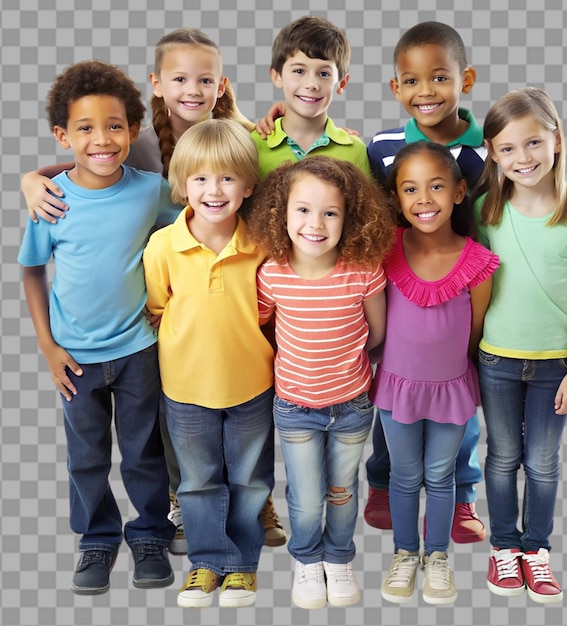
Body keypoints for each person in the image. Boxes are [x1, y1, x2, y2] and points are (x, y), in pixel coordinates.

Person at [20, 28, 287, 553]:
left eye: (204, 79)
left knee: (246, 405)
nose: (192, 88)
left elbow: (255, 169)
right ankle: (179, 503)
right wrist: (33, 177)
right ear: (157, 84)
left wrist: (279, 118)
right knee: (175, 417)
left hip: (239, 277)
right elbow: (95, 167)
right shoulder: (139, 144)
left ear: (221, 84)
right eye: (179, 78)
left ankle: (253, 501)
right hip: (162, 296)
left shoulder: (234, 131)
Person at [363, 20, 567, 539]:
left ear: (466, 79)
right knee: (398, 395)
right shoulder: (382, 146)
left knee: (463, 396)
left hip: (474, 289)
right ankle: (388, 483)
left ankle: (459, 495)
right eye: (411, 81)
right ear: (395, 88)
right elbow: (374, 214)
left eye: (439, 78)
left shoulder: (491, 147)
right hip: (406, 285)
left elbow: (534, 195)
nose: (425, 92)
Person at [17, 60, 180, 596]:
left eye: (114, 126)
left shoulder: (151, 190)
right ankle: (97, 538)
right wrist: (46, 345)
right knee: (86, 456)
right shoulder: (51, 200)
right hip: (76, 357)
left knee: (143, 453)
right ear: (63, 136)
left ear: (133, 132)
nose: (102, 140)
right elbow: (32, 270)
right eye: (84, 128)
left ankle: (151, 534)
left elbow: (180, 246)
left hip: (140, 349)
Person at [246, 156, 396, 609]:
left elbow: (379, 332)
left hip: (351, 405)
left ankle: (339, 557)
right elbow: (264, 328)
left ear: (349, 218)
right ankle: (308, 560)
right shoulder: (272, 274)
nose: (316, 223)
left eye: (330, 212)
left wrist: (349, 367)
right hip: (294, 407)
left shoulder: (362, 271)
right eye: (303, 211)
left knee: (342, 489)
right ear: (282, 214)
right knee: (307, 497)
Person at [473, 87, 567, 604]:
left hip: (556, 364)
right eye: (507, 149)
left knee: (543, 461)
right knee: (502, 457)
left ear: (557, 140)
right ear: (492, 154)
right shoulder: (485, 211)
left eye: (532, 144)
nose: (522, 158)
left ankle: (536, 549)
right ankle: (504, 546)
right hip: (497, 359)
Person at [143, 119, 275, 609]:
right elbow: (157, 307)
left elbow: (271, 312)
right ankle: (206, 561)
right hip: (185, 388)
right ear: (182, 185)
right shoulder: (163, 246)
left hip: (252, 386)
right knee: (197, 481)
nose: (213, 190)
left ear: (247, 184)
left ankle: (241, 566)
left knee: (250, 479)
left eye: (226, 178)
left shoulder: (261, 244)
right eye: (200, 178)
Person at [371, 141, 499, 605]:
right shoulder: (386, 251)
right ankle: (405, 553)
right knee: (404, 476)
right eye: (410, 189)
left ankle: (437, 557)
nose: (424, 199)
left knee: (441, 476)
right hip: (397, 389)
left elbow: (475, 328)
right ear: (398, 199)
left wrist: (452, 371)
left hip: (450, 389)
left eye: (436, 186)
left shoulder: (476, 261)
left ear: (460, 192)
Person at [251, 15, 371, 180]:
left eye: (324, 73)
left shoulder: (355, 150)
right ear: (277, 76)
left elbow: (366, 205)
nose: (311, 84)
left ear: (342, 83)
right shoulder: (253, 145)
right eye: (299, 71)